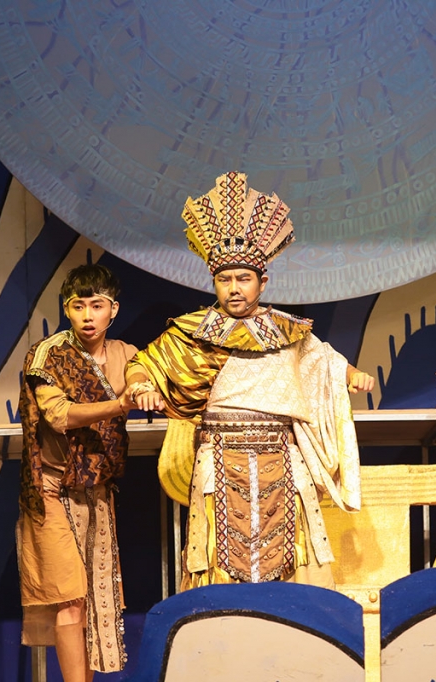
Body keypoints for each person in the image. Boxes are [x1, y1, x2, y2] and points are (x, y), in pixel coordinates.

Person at [125, 171, 374, 589]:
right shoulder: (192, 330)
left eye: (243, 279)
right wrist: (141, 386)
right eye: (225, 280)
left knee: (292, 558)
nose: (234, 289)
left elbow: (325, 362)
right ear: (214, 282)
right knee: (217, 560)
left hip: (281, 459)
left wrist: (353, 375)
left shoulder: (290, 330)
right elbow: (143, 363)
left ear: (263, 282)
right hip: (220, 458)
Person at [16, 263, 137, 680]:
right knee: (70, 597)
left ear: (113, 309)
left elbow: (144, 374)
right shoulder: (49, 355)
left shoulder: (125, 354)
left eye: (97, 306)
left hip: (97, 491)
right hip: (50, 491)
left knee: (95, 597)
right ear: (66, 309)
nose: (88, 316)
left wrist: (143, 384)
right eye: (78, 306)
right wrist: (120, 404)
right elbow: (60, 415)